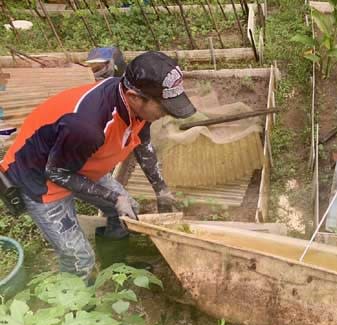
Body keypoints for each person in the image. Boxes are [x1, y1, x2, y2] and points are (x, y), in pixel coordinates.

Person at [0, 51, 196, 279]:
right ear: (134, 96)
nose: (165, 114)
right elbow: (56, 172)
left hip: (80, 160)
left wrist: (161, 189)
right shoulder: (88, 126)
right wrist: (114, 197)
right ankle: (78, 307)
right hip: (41, 177)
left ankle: (115, 270)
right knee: (79, 257)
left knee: (126, 211)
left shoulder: (137, 105)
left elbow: (142, 143)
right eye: (163, 108)